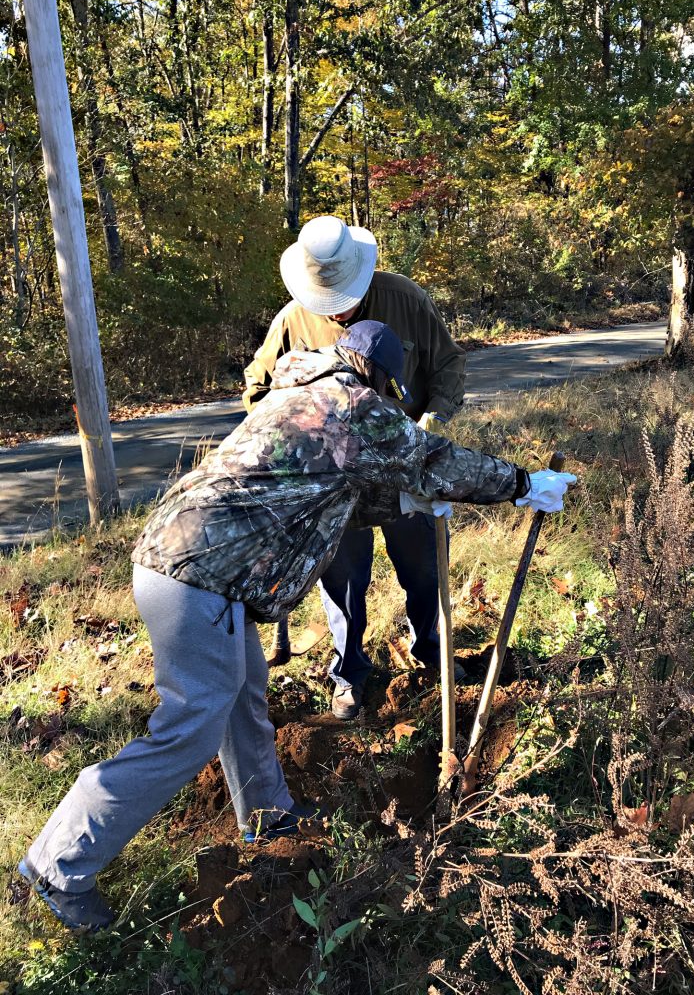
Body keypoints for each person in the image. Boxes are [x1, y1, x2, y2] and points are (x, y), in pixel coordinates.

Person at [17, 321, 576, 933]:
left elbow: (324, 493)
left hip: (186, 562)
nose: (391, 402)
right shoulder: (351, 403)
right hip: (200, 576)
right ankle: (60, 862)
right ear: (378, 377)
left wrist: (407, 505)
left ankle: (266, 814)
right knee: (190, 729)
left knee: (241, 697)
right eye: (391, 391)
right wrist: (523, 485)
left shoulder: (298, 397)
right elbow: (433, 459)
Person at [243, 214, 467, 719]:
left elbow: (449, 363)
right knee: (341, 579)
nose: (338, 313)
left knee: (424, 566)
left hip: (403, 463)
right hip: (333, 480)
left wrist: (433, 417)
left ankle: (429, 650)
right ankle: (349, 674)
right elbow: (256, 391)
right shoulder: (292, 321)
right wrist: (295, 439)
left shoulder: (407, 300)